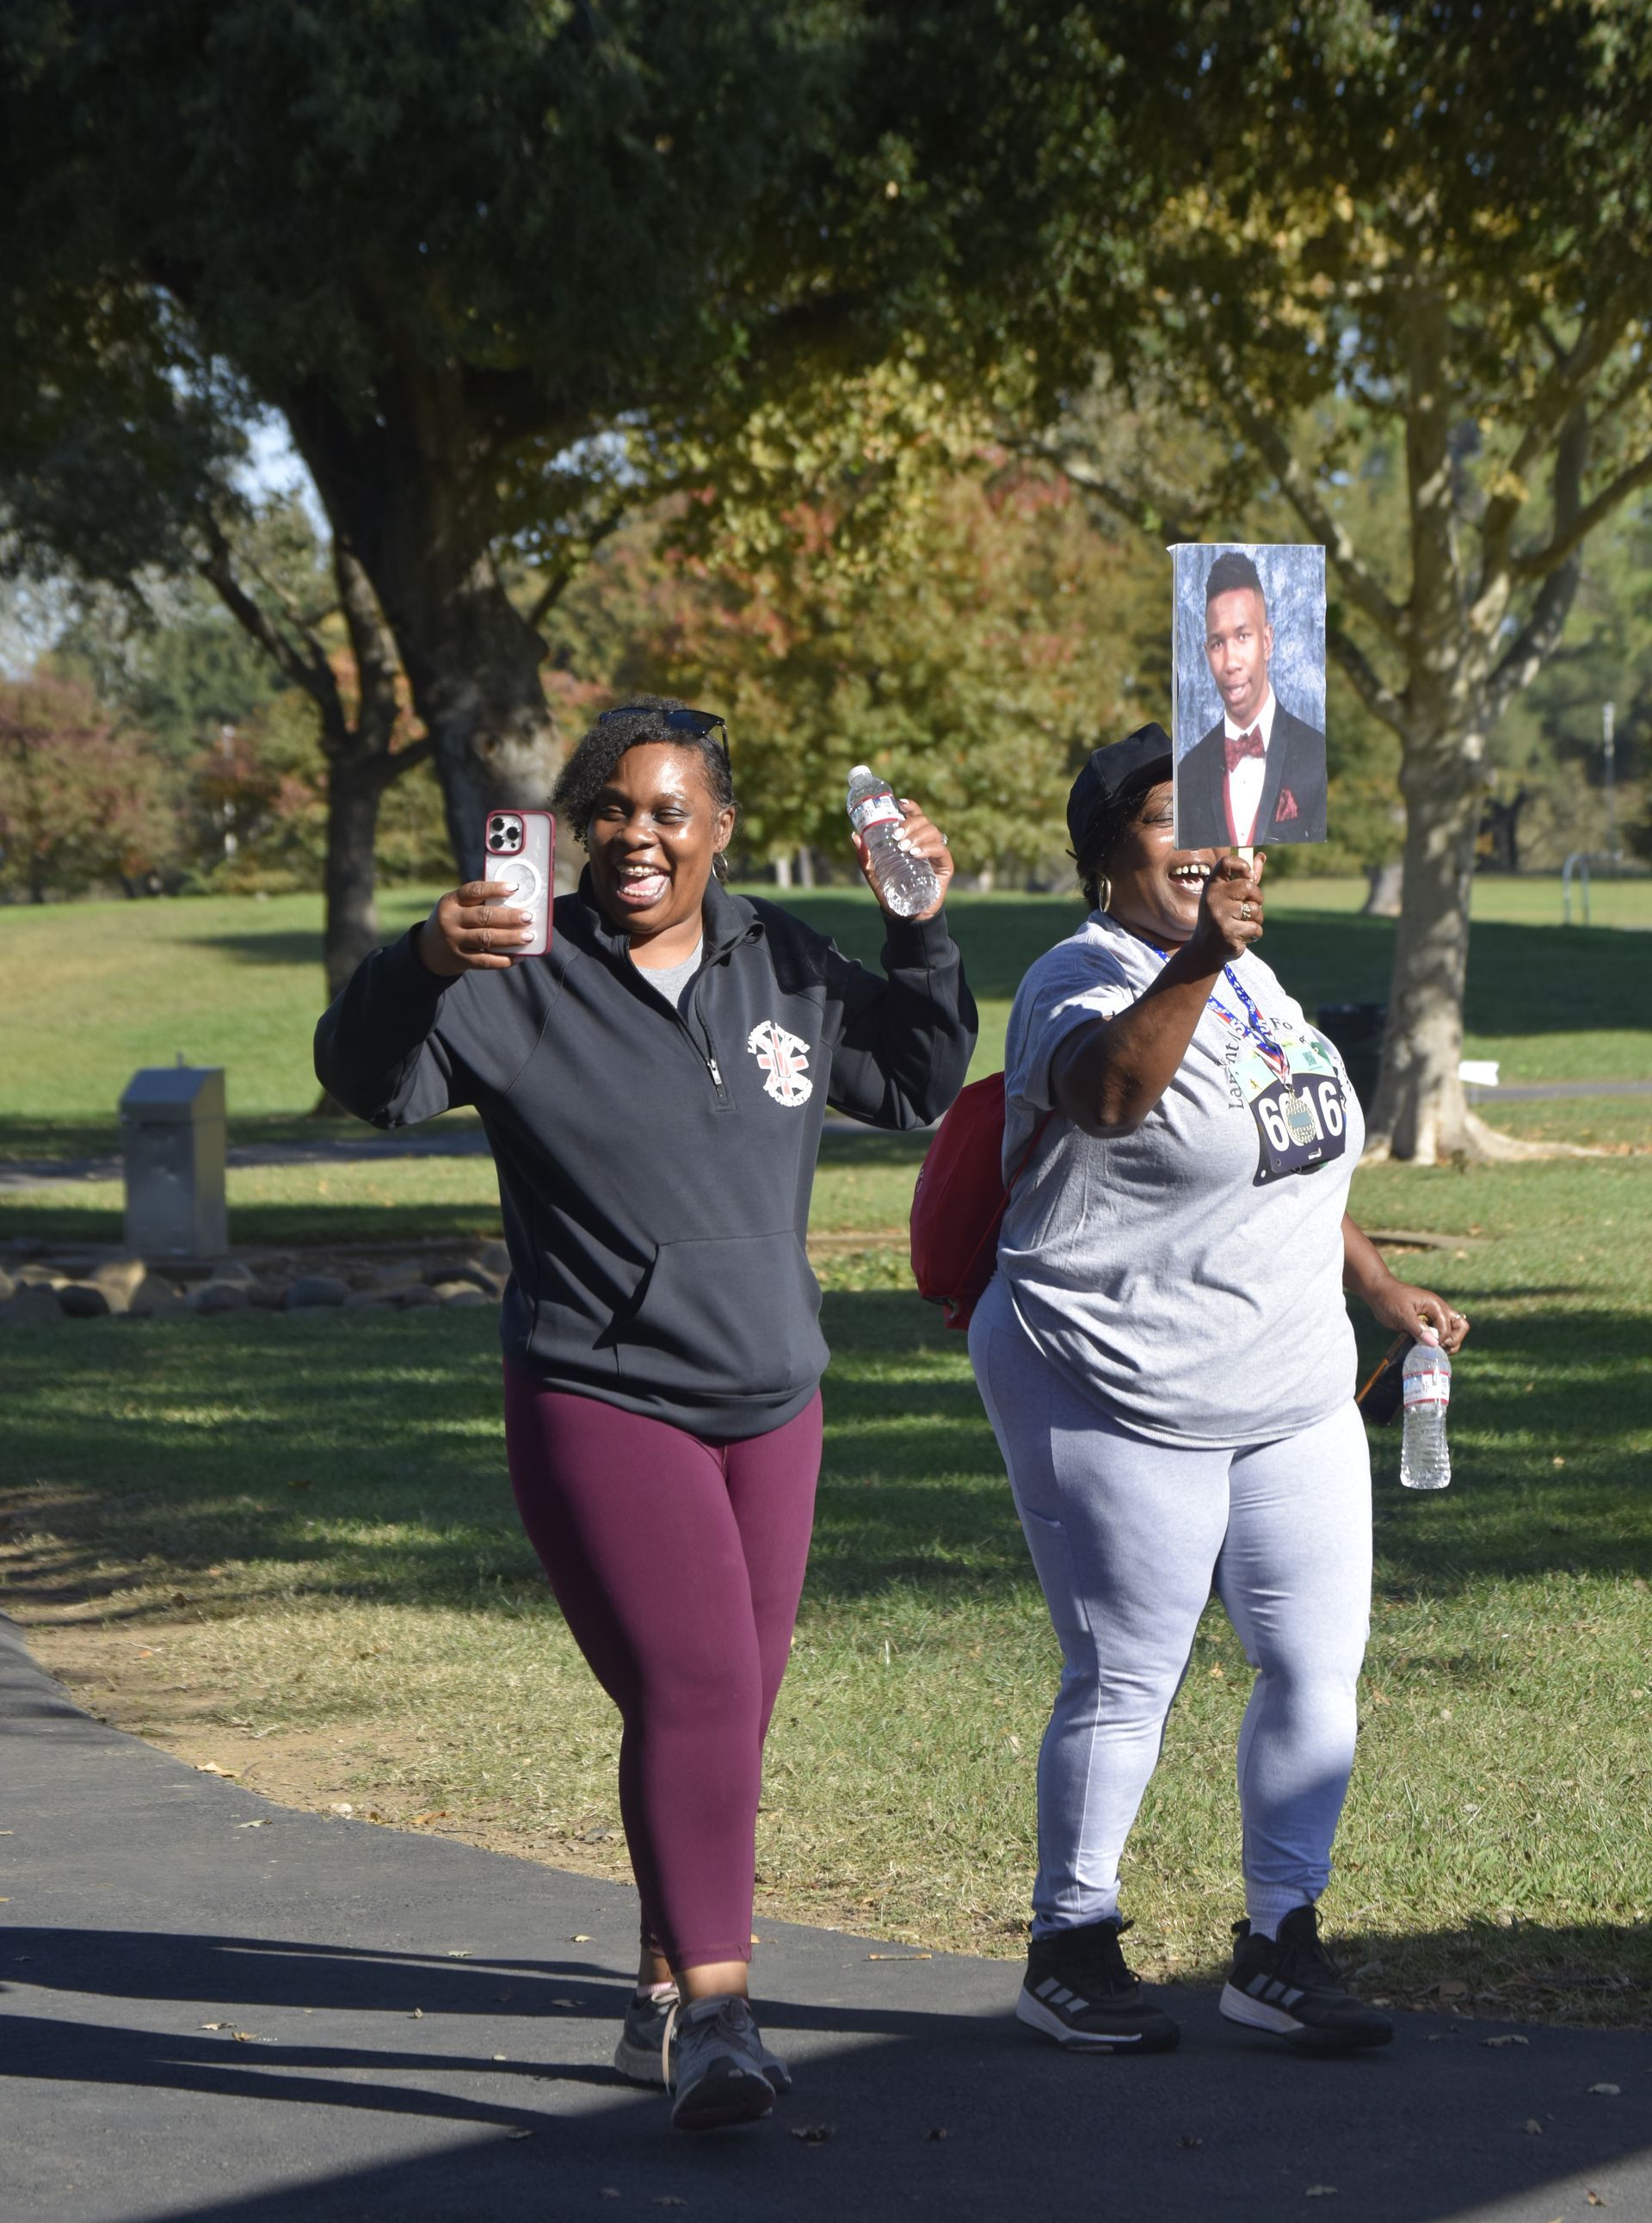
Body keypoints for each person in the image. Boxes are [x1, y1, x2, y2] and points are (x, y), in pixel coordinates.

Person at [315, 699, 975, 2131]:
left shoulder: (784, 962)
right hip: (601, 1389)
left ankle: (658, 1990)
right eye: (612, 809)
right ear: (574, 825)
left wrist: (921, 931)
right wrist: (425, 957)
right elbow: (363, 1084)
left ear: (720, 832)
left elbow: (917, 1084)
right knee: (699, 1689)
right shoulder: (512, 971)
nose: (638, 836)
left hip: (772, 1396)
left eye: (670, 812)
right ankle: (724, 2023)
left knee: (726, 1708)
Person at [969, 723, 1468, 2056]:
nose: (1198, 843)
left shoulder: (1256, 982)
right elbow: (1116, 1096)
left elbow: (1294, 1151)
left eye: (1215, 818)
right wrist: (1202, 958)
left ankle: (1278, 1946)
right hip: (1113, 1380)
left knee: (1315, 1666)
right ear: (1104, 850)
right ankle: (1070, 1944)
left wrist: (1376, 1288)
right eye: (1162, 818)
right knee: (1128, 1673)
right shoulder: (1076, 978)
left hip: (1292, 1387)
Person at [1174, 551, 1328, 846]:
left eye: (1243, 636)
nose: (1231, 662)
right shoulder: (1188, 774)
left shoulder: (1317, 756)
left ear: (1267, 642)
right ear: (1207, 653)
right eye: (1218, 643)